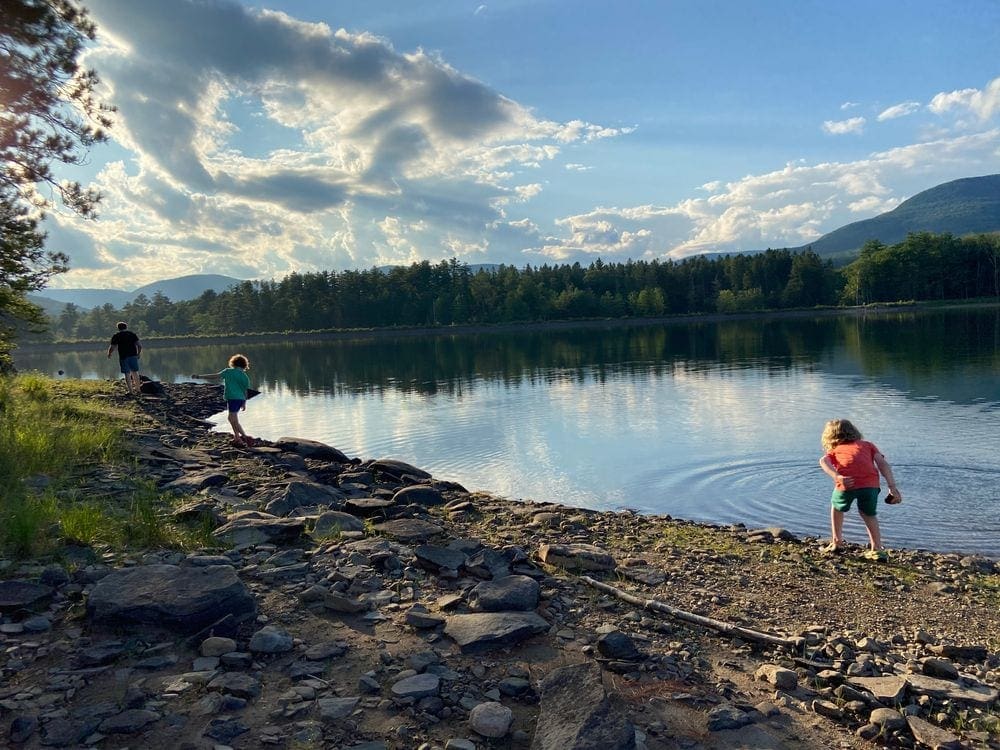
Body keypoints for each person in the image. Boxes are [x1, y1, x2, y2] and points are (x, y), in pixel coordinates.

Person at [819, 418, 901, 560]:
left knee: (837, 508)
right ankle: (877, 549)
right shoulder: (868, 445)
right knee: (869, 514)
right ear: (854, 431)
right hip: (870, 485)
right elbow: (882, 464)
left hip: (846, 483)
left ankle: (836, 542)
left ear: (829, 436)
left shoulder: (835, 449)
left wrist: (837, 476)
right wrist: (892, 487)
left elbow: (823, 461)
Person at [192, 354, 255, 447]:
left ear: (233, 363)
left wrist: (199, 376)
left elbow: (214, 376)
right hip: (239, 398)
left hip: (233, 398)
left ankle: (245, 437)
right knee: (232, 419)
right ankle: (237, 438)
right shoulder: (244, 376)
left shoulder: (228, 372)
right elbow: (246, 390)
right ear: (244, 364)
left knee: (232, 418)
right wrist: (244, 402)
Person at [107, 321, 142, 395]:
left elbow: (112, 347)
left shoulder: (116, 335)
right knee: (135, 372)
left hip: (124, 356)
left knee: (127, 373)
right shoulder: (132, 334)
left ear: (118, 328)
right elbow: (139, 345)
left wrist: (109, 353)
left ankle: (131, 391)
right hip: (133, 355)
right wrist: (138, 353)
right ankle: (138, 389)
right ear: (126, 327)